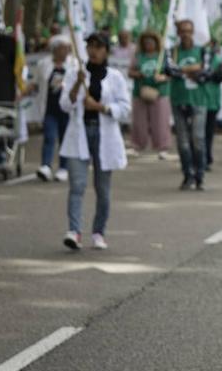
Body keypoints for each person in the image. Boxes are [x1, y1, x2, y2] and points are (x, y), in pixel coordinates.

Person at [59, 32, 131, 251]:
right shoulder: (75, 73)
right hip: (79, 134)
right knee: (77, 185)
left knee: (102, 189)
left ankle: (99, 231)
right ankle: (74, 231)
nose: (94, 51)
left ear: (106, 50)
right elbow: (64, 105)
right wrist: (76, 86)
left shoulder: (115, 77)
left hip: (104, 135)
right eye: (90, 46)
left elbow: (125, 108)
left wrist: (102, 107)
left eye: (99, 47)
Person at [164, 20, 211, 191]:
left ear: (193, 32)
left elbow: (205, 72)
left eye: (188, 31)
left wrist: (185, 70)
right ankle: (187, 175)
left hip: (198, 100)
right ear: (178, 33)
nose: (185, 34)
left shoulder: (202, 50)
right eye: (182, 31)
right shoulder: (172, 52)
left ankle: (200, 175)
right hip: (178, 99)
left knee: (198, 139)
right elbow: (170, 70)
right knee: (183, 142)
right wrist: (193, 69)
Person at [129, 30, 173, 160]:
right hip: (140, 92)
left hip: (160, 93)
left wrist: (162, 78)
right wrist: (139, 74)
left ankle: (162, 147)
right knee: (139, 121)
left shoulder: (163, 56)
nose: (148, 44)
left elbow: (170, 74)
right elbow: (130, 72)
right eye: (146, 42)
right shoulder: (138, 56)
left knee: (160, 121)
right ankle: (137, 145)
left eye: (151, 42)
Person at [34, 37, 73, 181]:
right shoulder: (43, 64)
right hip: (50, 108)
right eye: (63, 48)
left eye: (67, 48)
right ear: (55, 49)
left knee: (65, 139)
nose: (66, 51)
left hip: (66, 110)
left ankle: (63, 168)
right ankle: (45, 166)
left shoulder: (73, 64)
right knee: (49, 137)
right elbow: (36, 83)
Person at [202, 38, 222, 170]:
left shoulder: (217, 60)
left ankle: (207, 158)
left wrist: (208, 74)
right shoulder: (197, 58)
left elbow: (220, 77)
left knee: (208, 133)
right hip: (196, 101)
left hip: (212, 102)